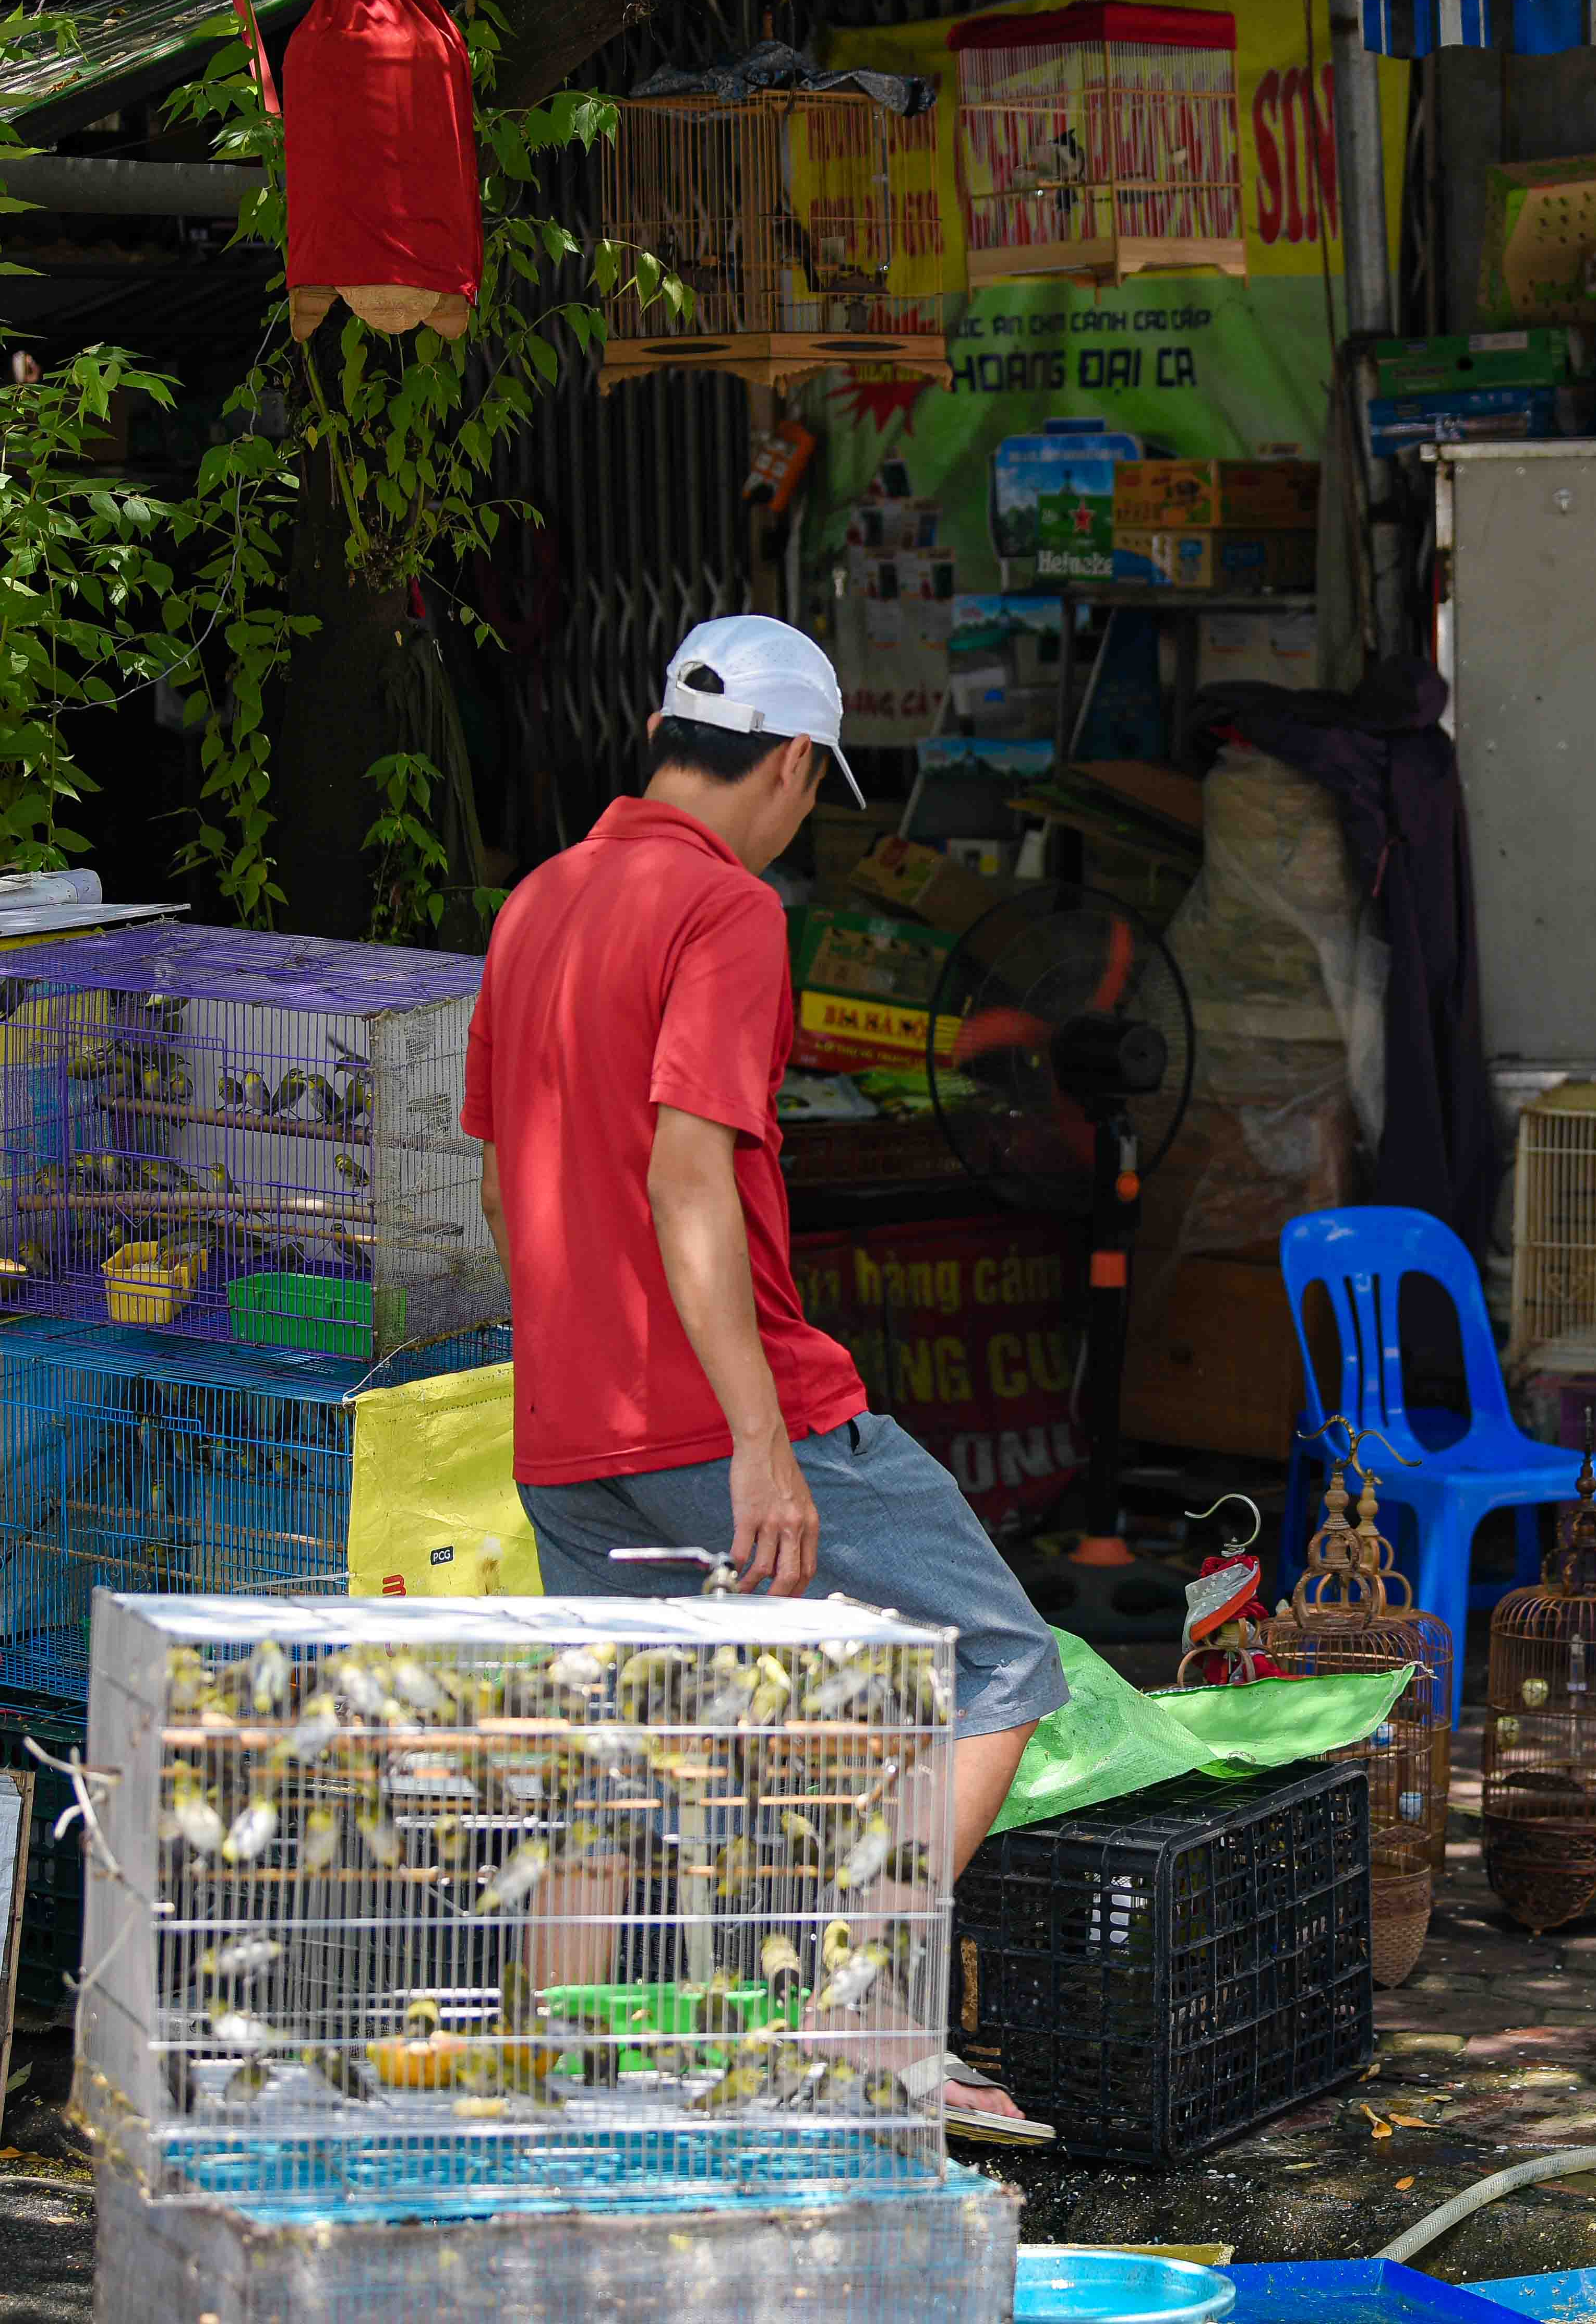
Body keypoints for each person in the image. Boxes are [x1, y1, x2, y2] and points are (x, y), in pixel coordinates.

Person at [464, 613, 1065, 2121]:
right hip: (728, 1406)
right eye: (816, 788)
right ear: (795, 764)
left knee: (604, 1746)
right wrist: (759, 1439)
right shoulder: (728, 914)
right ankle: (852, 2038)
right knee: (997, 1664)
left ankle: (560, 2085)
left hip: (568, 1424)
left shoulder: (540, 899)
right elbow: (690, 1176)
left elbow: (499, 1188)